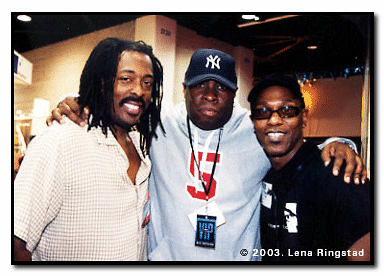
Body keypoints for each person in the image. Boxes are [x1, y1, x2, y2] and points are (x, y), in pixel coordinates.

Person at [47, 49, 366, 261]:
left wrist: (339, 144)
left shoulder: (255, 128)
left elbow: (294, 145)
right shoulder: (156, 121)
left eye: (222, 87)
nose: (211, 94)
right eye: (200, 84)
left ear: (234, 93)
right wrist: (75, 101)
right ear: (184, 89)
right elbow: (118, 111)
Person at [13, 38, 164, 261]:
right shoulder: (60, 140)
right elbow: (15, 242)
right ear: (102, 82)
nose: (139, 91)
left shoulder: (142, 146)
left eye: (147, 83)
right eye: (126, 79)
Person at [248, 73, 370, 261]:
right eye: (263, 112)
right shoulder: (264, 175)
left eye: (287, 110)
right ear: (254, 122)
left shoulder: (338, 173)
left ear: (303, 117)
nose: (274, 120)